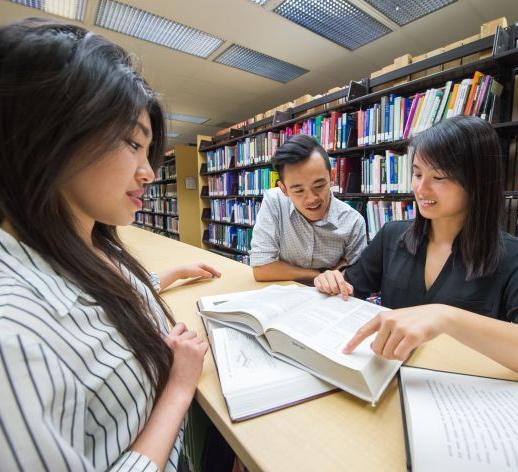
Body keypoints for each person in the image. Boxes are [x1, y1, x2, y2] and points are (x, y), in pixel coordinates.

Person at [0, 18, 221, 471]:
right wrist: (178, 388)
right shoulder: (12, 338)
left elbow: (94, 305)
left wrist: (165, 278)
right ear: (50, 136)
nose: (149, 173)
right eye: (132, 144)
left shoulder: (83, 239)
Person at [314, 116, 518, 386]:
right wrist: (332, 280)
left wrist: (447, 318)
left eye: (438, 177)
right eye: (417, 174)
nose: (421, 188)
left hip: (460, 397)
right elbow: (350, 288)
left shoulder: (516, 257)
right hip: (387, 382)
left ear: (477, 182)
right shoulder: (392, 236)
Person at [250, 134, 367, 283]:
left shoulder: (353, 222)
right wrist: (321, 274)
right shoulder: (274, 202)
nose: (312, 199)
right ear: (283, 189)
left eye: (319, 186)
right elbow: (261, 269)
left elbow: (353, 278)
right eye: (299, 190)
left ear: (332, 177)